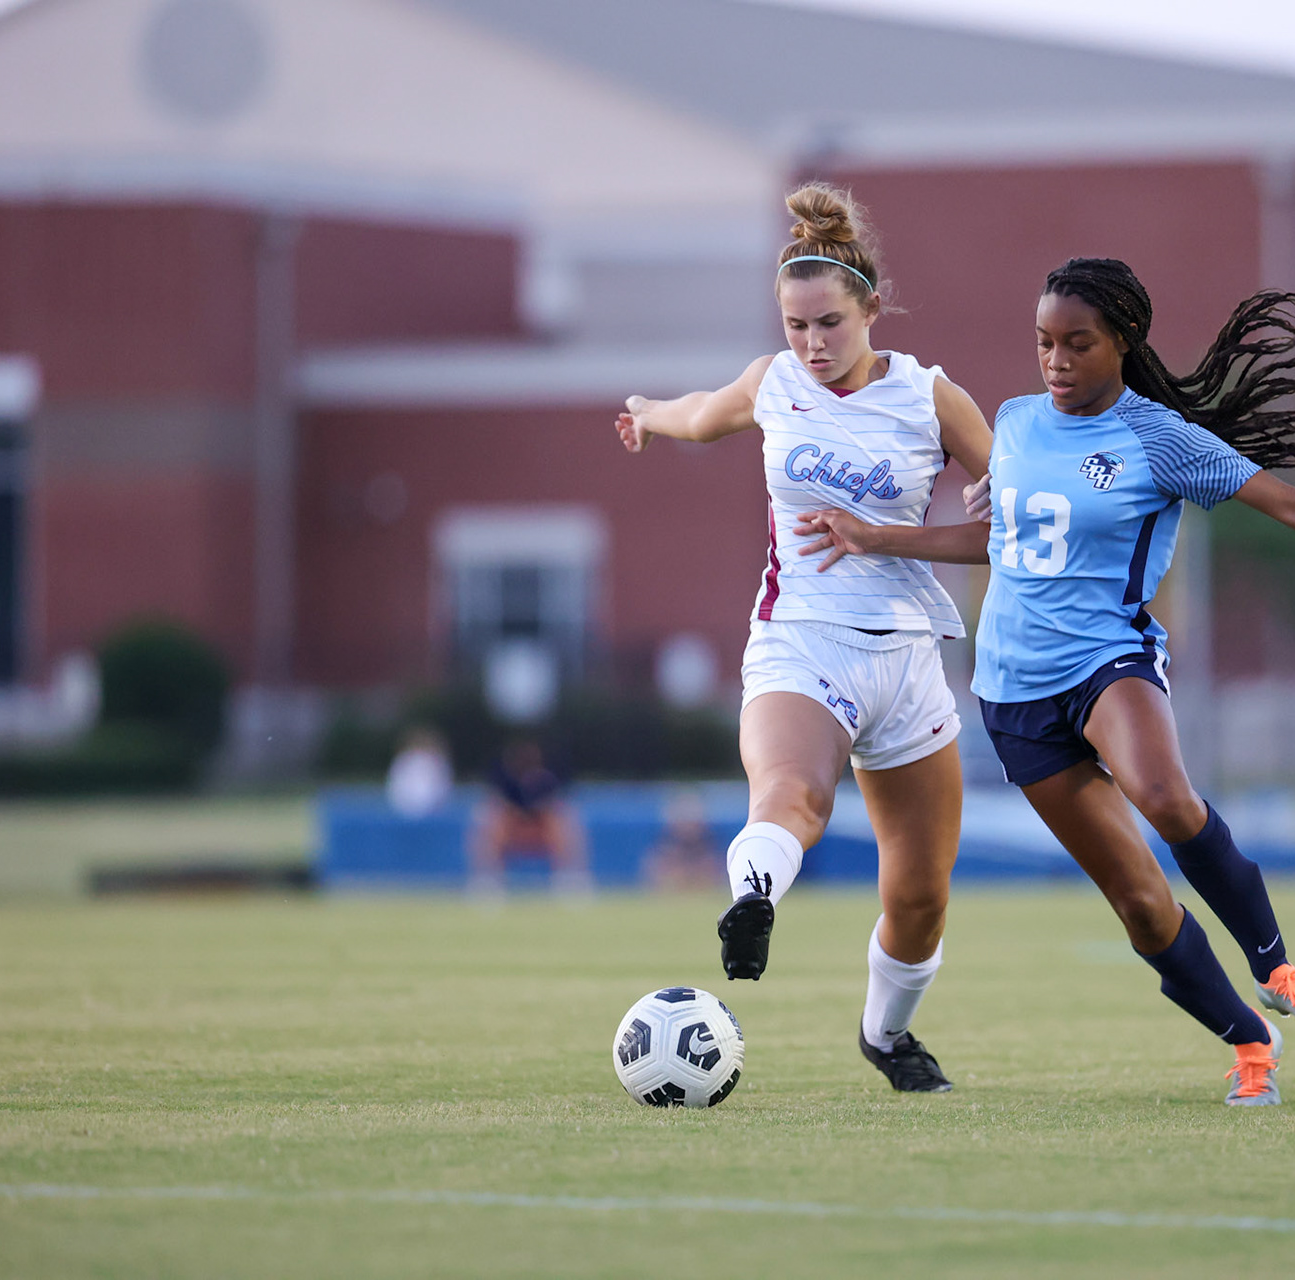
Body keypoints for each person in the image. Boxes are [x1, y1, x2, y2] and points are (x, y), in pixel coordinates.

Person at [798, 258, 1295, 1106]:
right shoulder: (1017, 423)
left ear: (1124, 343)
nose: (1055, 362)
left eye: (1077, 344)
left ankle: (1279, 968)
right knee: (1138, 900)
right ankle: (1250, 1042)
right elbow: (1004, 545)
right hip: (1013, 694)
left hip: (1109, 660)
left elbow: (1293, 506)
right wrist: (880, 538)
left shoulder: (1159, 437)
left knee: (1166, 798)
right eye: (1043, 343)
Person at [613, 184, 993, 1093]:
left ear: (870, 306)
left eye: (829, 322)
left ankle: (886, 1035)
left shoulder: (933, 398)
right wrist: (646, 413)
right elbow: (704, 414)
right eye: (795, 326)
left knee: (919, 893)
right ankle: (754, 899)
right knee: (791, 795)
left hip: (906, 659)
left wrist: (994, 496)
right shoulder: (772, 383)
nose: (812, 344)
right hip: (800, 641)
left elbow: (1014, 525)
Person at [470, 738, 589, 894]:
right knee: (491, 823)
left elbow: (553, 805)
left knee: (562, 822)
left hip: (541, 827)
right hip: (512, 827)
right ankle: (488, 881)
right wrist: (516, 815)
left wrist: (536, 814)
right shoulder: (503, 780)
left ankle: (570, 878)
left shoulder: (547, 778)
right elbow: (496, 803)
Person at [386, 726, 454, 818]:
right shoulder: (405, 760)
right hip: (405, 810)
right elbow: (396, 788)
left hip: (432, 811)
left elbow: (442, 789)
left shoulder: (436, 762)